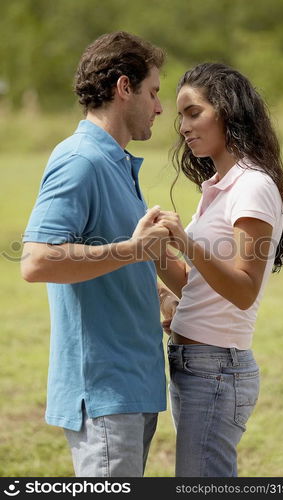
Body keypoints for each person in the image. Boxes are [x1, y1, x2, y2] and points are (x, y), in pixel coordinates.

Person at [21, 31, 169, 477]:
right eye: (153, 92)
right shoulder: (81, 159)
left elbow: (109, 259)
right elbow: (37, 261)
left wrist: (154, 295)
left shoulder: (118, 162)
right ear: (124, 88)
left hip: (134, 387)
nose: (160, 108)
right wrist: (133, 249)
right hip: (105, 395)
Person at [155, 62, 283, 477]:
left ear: (228, 111)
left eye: (193, 112)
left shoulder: (252, 184)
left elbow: (243, 290)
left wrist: (185, 242)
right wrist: (155, 249)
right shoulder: (219, 186)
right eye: (180, 115)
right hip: (194, 363)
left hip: (216, 369)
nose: (182, 126)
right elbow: (194, 283)